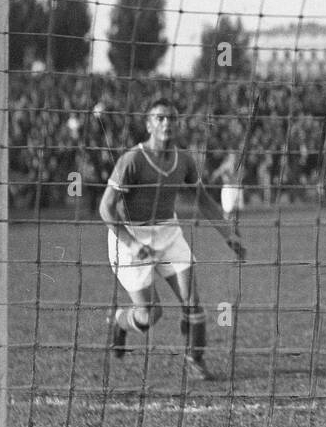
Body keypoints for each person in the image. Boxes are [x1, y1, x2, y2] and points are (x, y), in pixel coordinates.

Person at [100, 98, 246, 381]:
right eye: (160, 118)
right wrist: (132, 243)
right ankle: (119, 321)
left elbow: (203, 200)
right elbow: (105, 208)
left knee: (192, 302)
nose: (167, 123)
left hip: (168, 232)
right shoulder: (132, 160)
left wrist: (230, 235)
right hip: (131, 238)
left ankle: (196, 358)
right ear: (148, 125)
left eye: (172, 118)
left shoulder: (184, 159)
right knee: (150, 315)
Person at [214, 150, 245, 223]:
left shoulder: (238, 165)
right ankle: (225, 219)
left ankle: (233, 219)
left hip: (236, 186)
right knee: (228, 206)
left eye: (234, 156)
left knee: (236, 205)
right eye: (232, 156)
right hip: (228, 187)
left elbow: (242, 175)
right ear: (229, 157)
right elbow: (217, 173)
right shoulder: (226, 165)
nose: (234, 157)